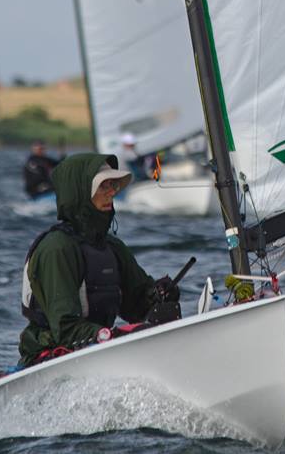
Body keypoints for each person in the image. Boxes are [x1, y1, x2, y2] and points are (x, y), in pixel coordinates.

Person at [18, 153, 180, 366]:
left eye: (113, 185)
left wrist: (159, 296)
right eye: (103, 186)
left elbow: (137, 308)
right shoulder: (56, 249)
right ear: (81, 192)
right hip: (48, 358)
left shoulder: (111, 246)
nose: (112, 192)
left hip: (98, 350)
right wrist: (113, 335)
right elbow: (65, 329)